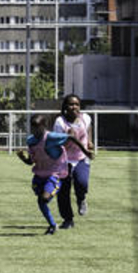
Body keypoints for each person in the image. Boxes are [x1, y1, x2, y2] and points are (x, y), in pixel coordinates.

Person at [16, 113, 94, 235]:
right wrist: (23, 158)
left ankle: (62, 191)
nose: (36, 130)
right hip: (39, 176)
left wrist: (85, 151)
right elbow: (31, 161)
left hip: (55, 174)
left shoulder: (51, 137)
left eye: (38, 127)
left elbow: (71, 138)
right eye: (33, 127)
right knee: (41, 202)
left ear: (45, 126)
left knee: (45, 198)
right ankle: (53, 225)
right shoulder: (31, 141)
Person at [52, 94, 94, 227]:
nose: (74, 107)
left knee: (82, 182)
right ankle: (68, 219)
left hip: (81, 157)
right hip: (64, 160)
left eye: (76, 104)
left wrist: (90, 141)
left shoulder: (85, 118)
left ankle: (81, 199)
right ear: (65, 107)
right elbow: (56, 143)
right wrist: (66, 137)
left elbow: (88, 127)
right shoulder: (60, 122)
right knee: (63, 190)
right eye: (71, 104)